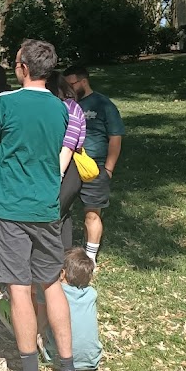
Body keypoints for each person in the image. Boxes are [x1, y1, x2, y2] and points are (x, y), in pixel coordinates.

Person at [0, 38, 80, 371]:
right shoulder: (60, 109)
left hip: (11, 211)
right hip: (47, 209)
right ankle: (68, 370)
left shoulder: (4, 102)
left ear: (22, 67)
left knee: (19, 288)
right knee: (51, 283)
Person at [63, 65, 125, 266]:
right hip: (70, 165)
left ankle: (90, 260)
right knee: (61, 210)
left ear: (83, 81)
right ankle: (62, 253)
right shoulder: (66, 105)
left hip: (96, 168)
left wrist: (108, 168)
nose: (69, 89)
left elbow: (115, 138)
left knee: (92, 213)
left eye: (71, 84)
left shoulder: (103, 104)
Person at [39, 247, 102, 371]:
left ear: (62, 273)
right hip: (92, 360)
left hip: (57, 359)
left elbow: (40, 324)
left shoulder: (54, 294)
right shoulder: (91, 294)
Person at [45, 71, 87, 251]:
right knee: (63, 216)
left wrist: (58, 174)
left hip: (67, 168)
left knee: (53, 216)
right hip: (58, 167)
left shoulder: (69, 108)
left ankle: (52, 263)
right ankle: (64, 262)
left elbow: (68, 145)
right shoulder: (68, 106)